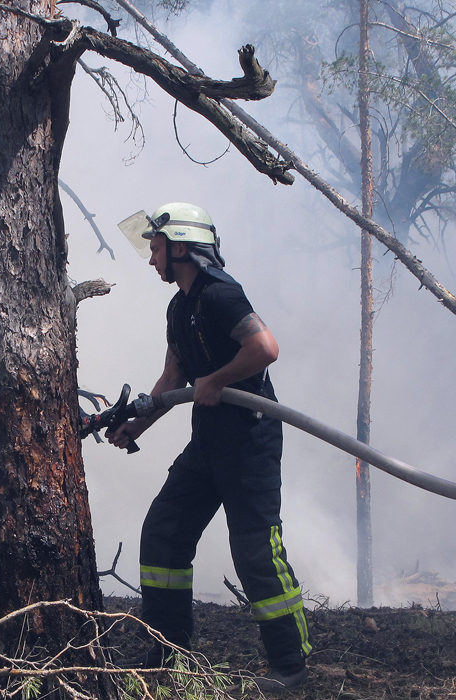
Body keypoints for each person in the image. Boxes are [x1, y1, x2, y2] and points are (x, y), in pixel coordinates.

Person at [106, 202, 312, 692]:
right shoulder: (179, 308)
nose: (152, 259)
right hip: (208, 443)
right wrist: (138, 426)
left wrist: (217, 380)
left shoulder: (221, 294)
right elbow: (174, 379)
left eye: (155, 248)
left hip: (250, 439)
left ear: (181, 247)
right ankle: (167, 657)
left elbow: (264, 348)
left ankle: (292, 672)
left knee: (256, 552)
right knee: (163, 534)